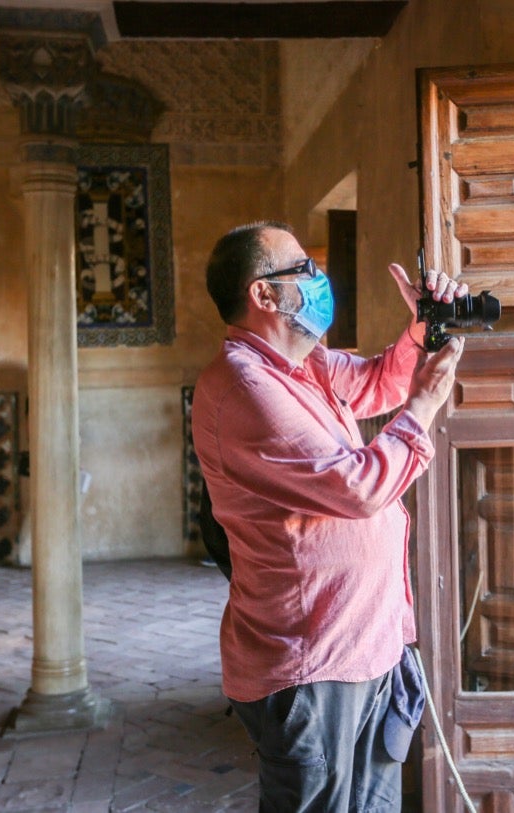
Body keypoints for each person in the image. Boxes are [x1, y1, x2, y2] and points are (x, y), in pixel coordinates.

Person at [191, 221, 467, 812]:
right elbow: (358, 486)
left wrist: (423, 332)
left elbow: (374, 383)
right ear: (263, 295)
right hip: (311, 663)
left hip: (366, 645)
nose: (320, 279)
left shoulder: (305, 364)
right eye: (303, 269)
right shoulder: (243, 385)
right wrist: (424, 407)